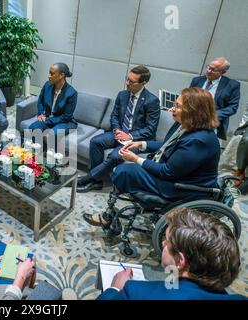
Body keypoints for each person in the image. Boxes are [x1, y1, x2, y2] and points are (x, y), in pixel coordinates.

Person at [83, 88, 220, 228]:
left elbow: (167, 172)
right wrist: (141, 144)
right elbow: (167, 145)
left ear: (194, 111)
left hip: (182, 187)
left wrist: (136, 159)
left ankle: (109, 215)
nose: (172, 109)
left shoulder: (199, 140)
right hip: (172, 173)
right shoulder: (184, 125)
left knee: (124, 171)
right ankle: (112, 211)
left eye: (178, 106)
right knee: (123, 167)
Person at [97, 207, 246, 300]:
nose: (162, 243)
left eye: (167, 241)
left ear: (180, 261)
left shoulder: (135, 293)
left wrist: (115, 288)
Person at [77, 65, 160, 193]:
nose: (127, 83)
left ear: (143, 83)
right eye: (127, 79)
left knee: (116, 155)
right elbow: (114, 116)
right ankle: (97, 181)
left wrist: (130, 136)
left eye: (131, 82)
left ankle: (90, 178)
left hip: (136, 139)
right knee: (95, 141)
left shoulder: (152, 101)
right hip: (119, 132)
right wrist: (116, 130)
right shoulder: (122, 95)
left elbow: (150, 129)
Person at [190, 57, 240, 140]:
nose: (209, 71)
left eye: (213, 70)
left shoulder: (232, 85)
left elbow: (232, 107)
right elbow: (187, 98)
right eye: (208, 67)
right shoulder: (197, 80)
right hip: (190, 119)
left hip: (212, 124)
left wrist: (211, 116)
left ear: (223, 72)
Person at [26, 63, 78, 141]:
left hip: (64, 122)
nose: (49, 76)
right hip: (48, 117)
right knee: (33, 128)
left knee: (53, 134)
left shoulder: (71, 93)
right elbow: (41, 100)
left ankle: (49, 153)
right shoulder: (47, 85)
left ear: (61, 75)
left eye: (52, 73)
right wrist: (40, 114)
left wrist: (47, 120)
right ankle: (35, 152)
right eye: (49, 73)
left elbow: (66, 117)